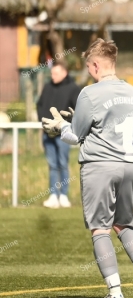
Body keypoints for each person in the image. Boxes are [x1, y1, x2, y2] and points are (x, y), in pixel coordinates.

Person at [41, 38, 133, 298]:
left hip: (100, 166)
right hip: (130, 165)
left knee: (100, 230)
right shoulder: (131, 91)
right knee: (125, 225)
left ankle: (115, 293)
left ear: (95, 65)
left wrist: (60, 127)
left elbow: (76, 136)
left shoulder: (89, 93)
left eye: (89, 67)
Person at [37, 60, 80, 209]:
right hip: (47, 134)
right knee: (52, 165)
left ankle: (64, 195)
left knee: (63, 164)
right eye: (52, 73)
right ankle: (53, 195)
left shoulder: (73, 88)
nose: (52, 76)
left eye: (55, 73)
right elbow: (40, 105)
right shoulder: (48, 87)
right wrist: (45, 124)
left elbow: (77, 110)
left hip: (63, 134)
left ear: (64, 73)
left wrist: (64, 126)